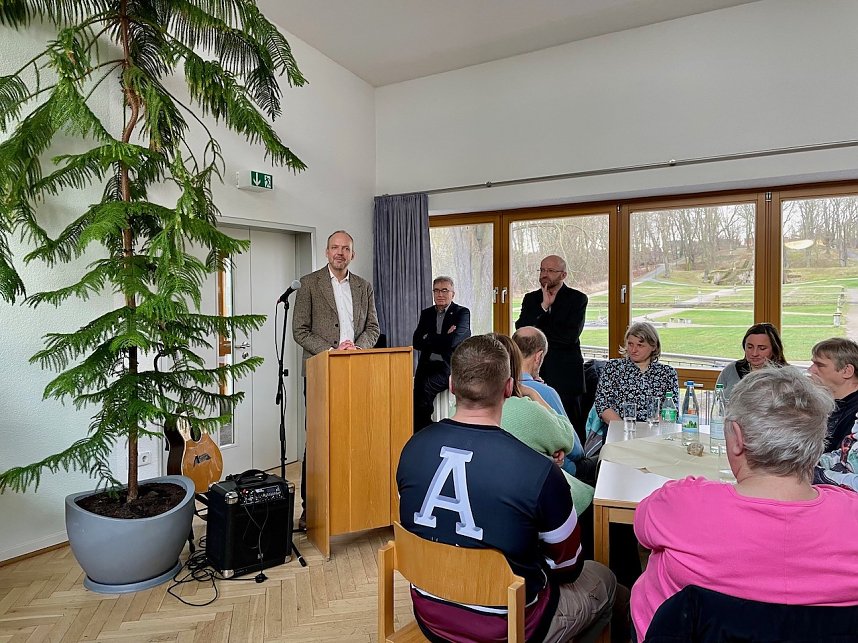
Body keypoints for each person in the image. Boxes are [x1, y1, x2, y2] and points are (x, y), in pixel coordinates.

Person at [397, 335, 623, 642]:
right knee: (608, 581)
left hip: (430, 614)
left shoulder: (411, 449)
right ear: (507, 388)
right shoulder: (539, 471)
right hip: (511, 626)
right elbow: (568, 567)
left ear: (451, 385)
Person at [630, 365, 858, 640]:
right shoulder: (851, 514)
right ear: (817, 442)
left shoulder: (682, 503)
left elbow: (642, 532)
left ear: (737, 438)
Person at [292, 230, 380, 529]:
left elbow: (373, 328)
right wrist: (331, 351)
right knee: (317, 441)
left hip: (355, 370)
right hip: (320, 371)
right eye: (334, 248)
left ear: (352, 254)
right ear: (326, 252)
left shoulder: (363, 286)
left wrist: (357, 347)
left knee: (354, 438)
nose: (340, 253)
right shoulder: (309, 284)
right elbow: (300, 331)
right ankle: (310, 509)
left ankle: (352, 504)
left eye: (345, 248)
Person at [491, 333, 593, 513]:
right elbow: (574, 447)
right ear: (539, 356)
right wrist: (535, 395)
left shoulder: (455, 416)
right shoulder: (529, 404)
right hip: (552, 499)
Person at [515, 255, 589, 439]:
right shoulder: (531, 299)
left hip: (566, 374)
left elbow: (569, 336)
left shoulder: (577, 299)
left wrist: (539, 327)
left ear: (563, 275)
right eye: (542, 270)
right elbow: (521, 330)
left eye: (550, 270)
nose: (544, 274)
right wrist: (543, 307)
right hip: (533, 372)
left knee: (570, 426)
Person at [512, 326, 589, 478]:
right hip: (555, 472)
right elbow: (576, 449)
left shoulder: (497, 387)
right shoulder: (544, 393)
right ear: (539, 356)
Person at [412, 276, 471, 431]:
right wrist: (444, 336)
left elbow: (454, 342)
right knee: (414, 393)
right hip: (426, 365)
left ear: (453, 294)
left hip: (448, 366)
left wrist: (430, 338)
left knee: (425, 388)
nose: (440, 294)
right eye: (436, 290)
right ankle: (419, 429)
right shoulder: (427, 314)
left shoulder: (462, 313)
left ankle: (424, 430)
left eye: (445, 290)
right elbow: (417, 341)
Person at [594, 321, 678, 424]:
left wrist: (652, 431)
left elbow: (671, 410)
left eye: (640, 345)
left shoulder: (667, 373)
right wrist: (625, 430)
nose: (634, 350)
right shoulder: (613, 368)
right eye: (630, 344)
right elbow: (602, 405)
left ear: (653, 347)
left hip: (656, 432)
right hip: (619, 431)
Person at [808, 337, 858, 452]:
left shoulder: (855, 415)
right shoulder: (821, 402)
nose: (811, 370)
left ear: (847, 371)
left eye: (819, 365)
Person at [715, 322, 787, 397]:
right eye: (750, 347)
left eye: (762, 348)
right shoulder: (731, 369)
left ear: (774, 349)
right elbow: (718, 400)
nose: (754, 353)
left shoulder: (786, 377)